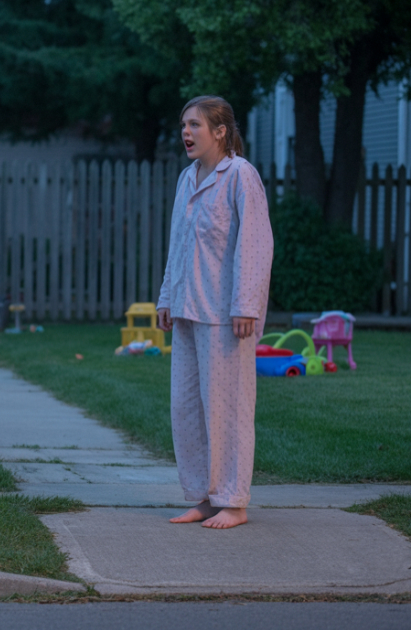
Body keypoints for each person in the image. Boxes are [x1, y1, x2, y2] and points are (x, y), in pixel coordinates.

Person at [155, 95, 273, 529]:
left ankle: (233, 502)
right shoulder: (187, 178)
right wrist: (166, 297)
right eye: (183, 125)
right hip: (187, 310)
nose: (185, 133)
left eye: (195, 125)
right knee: (187, 409)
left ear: (220, 132)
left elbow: (256, 243)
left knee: (228, 410)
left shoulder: (240, 175)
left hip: (226, 315)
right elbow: (178, 243)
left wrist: (246, 304)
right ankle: (204, 497)